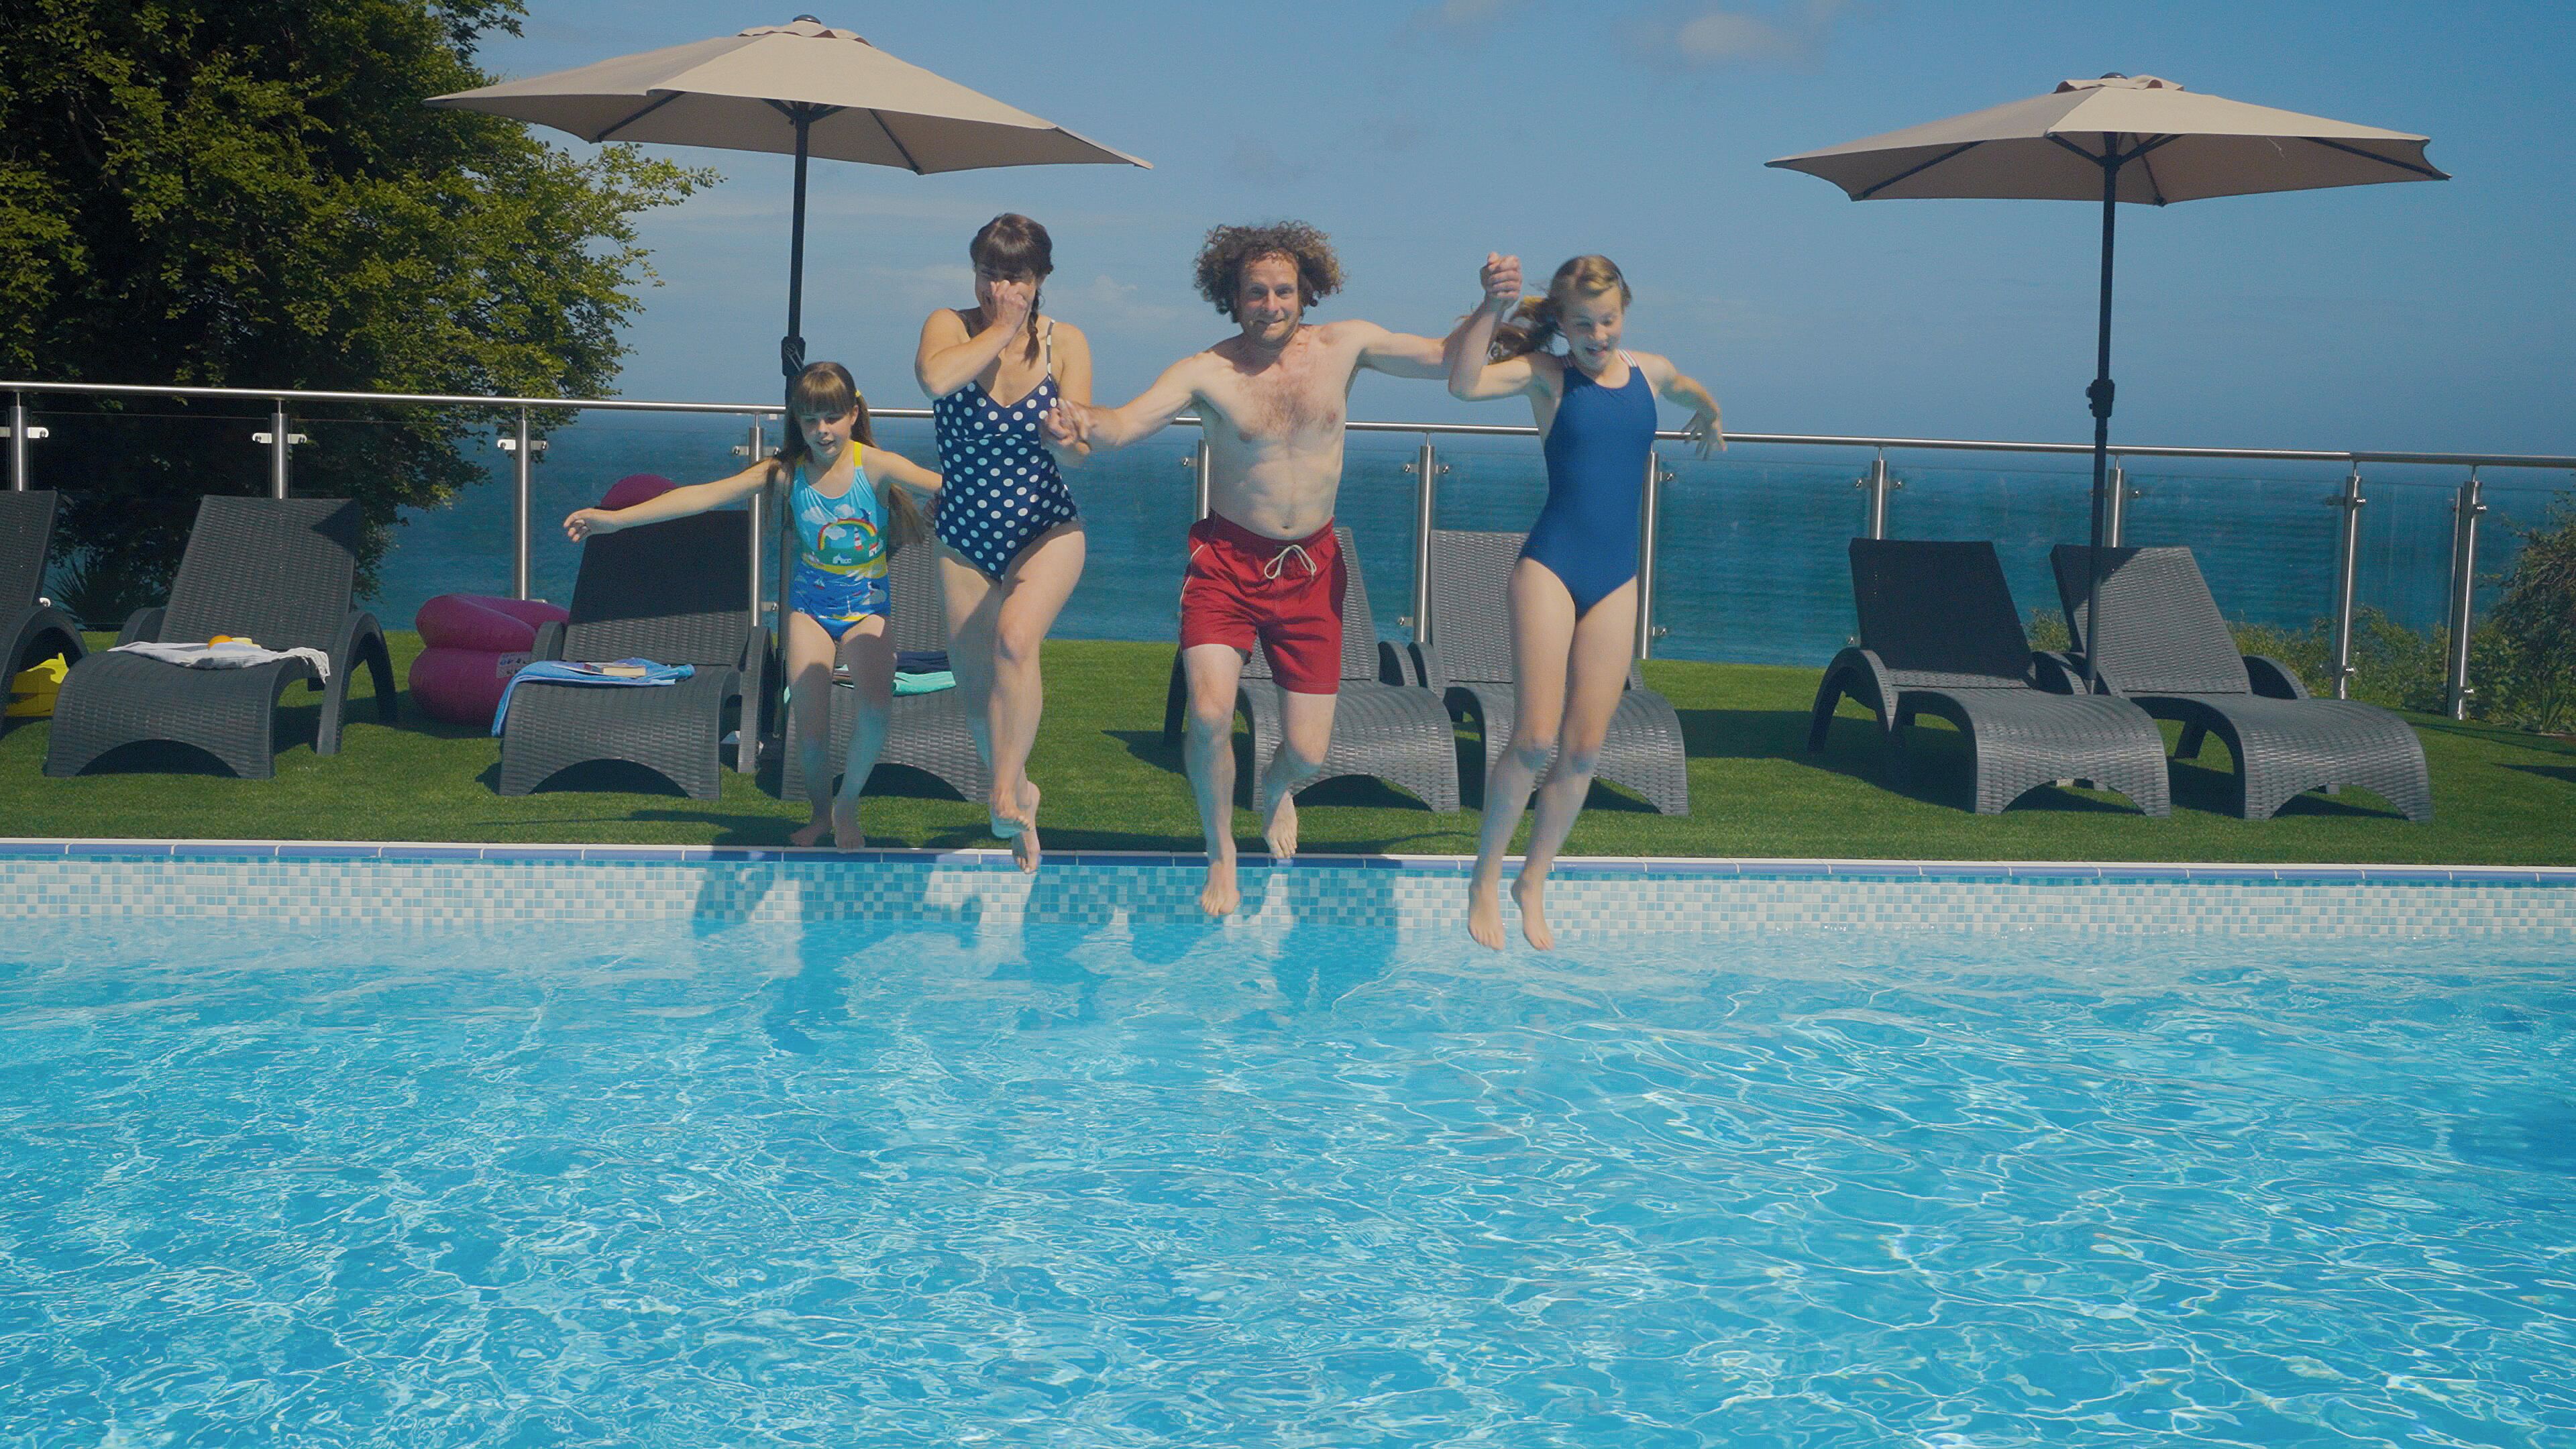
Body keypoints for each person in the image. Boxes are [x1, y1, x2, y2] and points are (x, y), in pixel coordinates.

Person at [1042, 220, 1449, 916]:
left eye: (1283, 291)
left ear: (1306, 291)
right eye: (1255, 293)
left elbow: (1443, 358)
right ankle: (1221, 852)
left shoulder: (1344, 346)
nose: (1271, 305)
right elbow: (1126, 424)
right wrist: (1078, 419)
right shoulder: (1208, 371)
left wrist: (1495, 311)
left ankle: (1276, 788)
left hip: (1314, 570)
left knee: (1310, 752)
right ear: (1232, 298)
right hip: (1227, 563)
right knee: (1207, 713)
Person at [1444, 253, 1722, 949]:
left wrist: (1713, 415)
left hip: (1617, 579)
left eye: (1609, 320)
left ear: (1623, 312)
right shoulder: (1549, 378)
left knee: (1584, 748)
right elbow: (1464, 385)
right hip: (1550, 568)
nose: (1599, 335)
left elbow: (1690, 388)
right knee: (1535, 738)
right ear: (1562, 325)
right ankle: (1484, 876)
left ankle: (1532, 879)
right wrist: (1491, 309)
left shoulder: (1649, 372)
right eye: (1584, 325)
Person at [564, 361, 942, 850]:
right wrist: (614, 520)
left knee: (875, 710)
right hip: (808, 610)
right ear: (797, 422)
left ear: (853, 413)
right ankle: (822, 813)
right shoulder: (786, 474)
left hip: (867, 610)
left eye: (831, 417)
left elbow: (942, 483)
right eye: (810, 419)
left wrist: (955, 503)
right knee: (809, 730)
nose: (821, 430)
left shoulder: (876, 465)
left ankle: (848, 802)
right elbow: (703, 496)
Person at [914, 214, 1093, 873]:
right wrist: (1002, 328)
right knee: (974, 687)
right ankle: (1021, 796)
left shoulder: (1066, 342)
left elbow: (1079, 457)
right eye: (988, 275)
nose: (998, 288)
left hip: (1046, 529)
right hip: (964, 535)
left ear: (1039, 278)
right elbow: (935, 382)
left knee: (1016, 641)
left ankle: (999, 791)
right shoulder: (951, 326)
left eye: (1013, 278)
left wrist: (1062, 437)